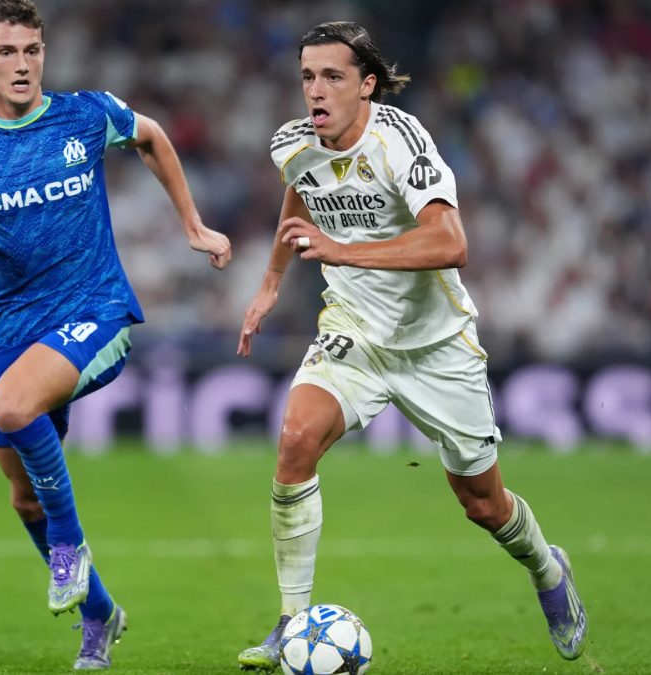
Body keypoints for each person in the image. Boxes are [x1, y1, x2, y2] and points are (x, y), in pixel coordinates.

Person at [235, 21, 587, 670]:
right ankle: (289, 623)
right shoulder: (294, 143)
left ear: (367, 85)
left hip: (436, 346)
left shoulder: (400, 140)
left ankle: (545, 563)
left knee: (483, 504)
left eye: (333, 76)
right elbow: (300, 194)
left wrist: (344, 249)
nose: (316, 90)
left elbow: (451, 240)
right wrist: (269, 285)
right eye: (307, 76)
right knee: (294, 441)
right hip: (355, 332)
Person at [0, 0, 231, 670]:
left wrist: (192, 223)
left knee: (11, 406)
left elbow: (152, 135)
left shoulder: (83, 114)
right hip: (12, 330)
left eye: (33, 50)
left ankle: (70, 550)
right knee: (22, 493)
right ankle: (100, 612)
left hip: (95, 307)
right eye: (8, 52)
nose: (23, 65)